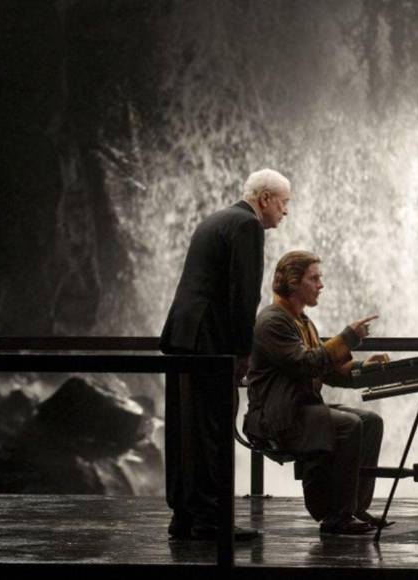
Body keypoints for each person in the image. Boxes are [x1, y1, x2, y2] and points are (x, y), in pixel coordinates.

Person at [160, 168, 291, 540]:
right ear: (265, 198)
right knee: (212, 430)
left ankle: (184, 515)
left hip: (184, 335)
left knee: (185, 431)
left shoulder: (215, 220)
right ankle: (211, 520)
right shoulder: (247, 226)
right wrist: (242, 352)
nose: (285, 212)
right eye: (284, 203)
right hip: (209, 341)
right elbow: (243, 295)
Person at [243, 250, 388, 535]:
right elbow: (307, 364)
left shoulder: (302, 321)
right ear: (293, 282)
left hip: (301, 411)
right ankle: (336, 516)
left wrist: (364, 368)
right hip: (277, 417)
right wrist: (348, 337)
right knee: (349, 425)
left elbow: (328, 370)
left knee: (371, 421)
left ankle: (354, 507)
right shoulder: (273, 321)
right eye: (314, 278)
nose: (321, 285)